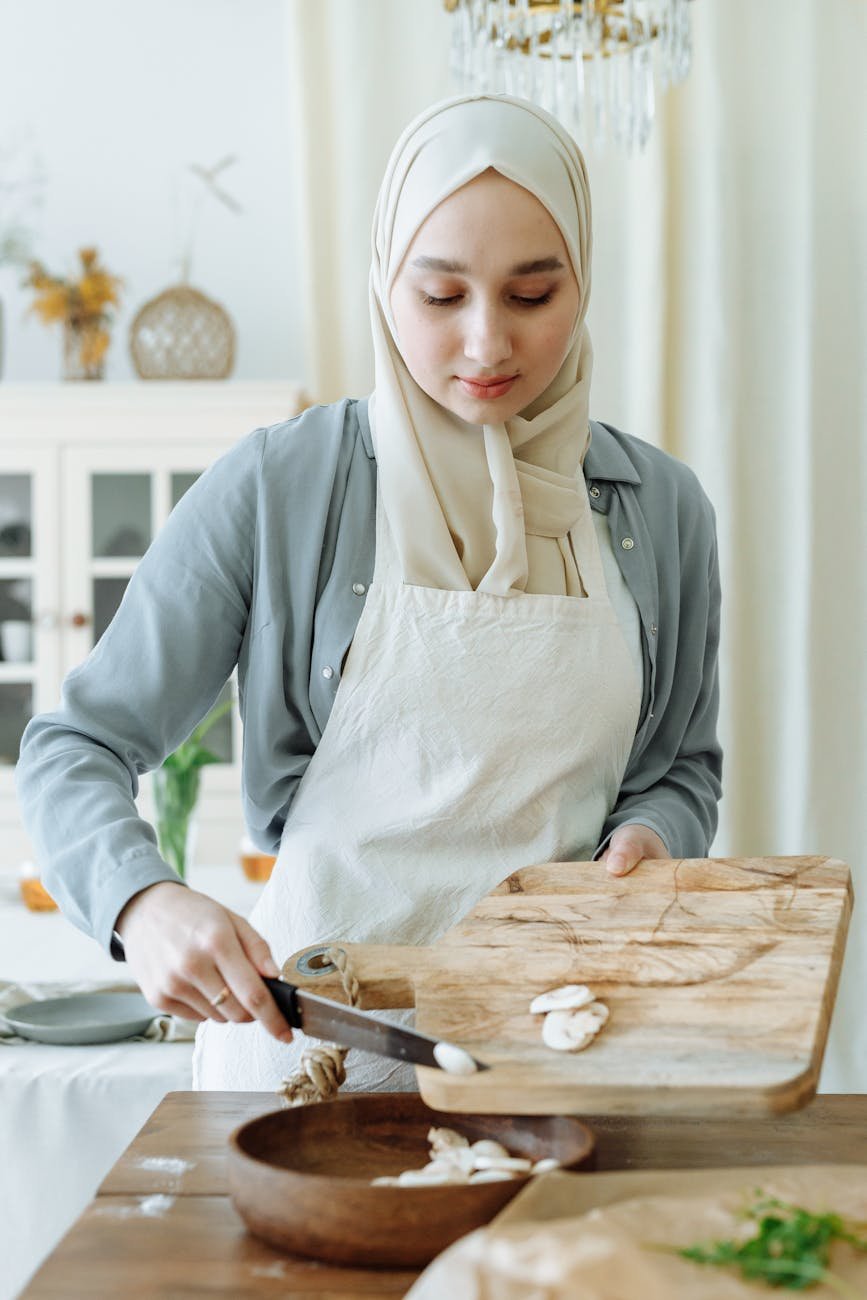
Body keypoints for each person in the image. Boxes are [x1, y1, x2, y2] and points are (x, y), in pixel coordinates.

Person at [16, 93, 722, 1090]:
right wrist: (141, 901)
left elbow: (680, 768)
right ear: (385, 283)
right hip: (301, 1065)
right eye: (440, 296)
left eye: (532, 295)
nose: (487, 343)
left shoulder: (664, 509)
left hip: (548, 1062)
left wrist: (651, 839)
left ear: (583, 282)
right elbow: (74, 747)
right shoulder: (280, 484)